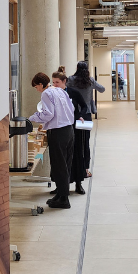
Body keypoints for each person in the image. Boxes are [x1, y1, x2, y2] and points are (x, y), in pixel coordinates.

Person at [29, 71, 75, 209]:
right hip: (69, 130)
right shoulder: (59, 90)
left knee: (58, 166)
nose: (37, 89)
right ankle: (60, 194)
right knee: (65, 164)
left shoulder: (46, 93)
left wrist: (32, 118)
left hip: (58, 132)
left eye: (36, 87)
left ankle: (64, 199)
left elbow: (48, 114)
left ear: (41, 84)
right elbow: (71, 107)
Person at [53, 67, 88, 195]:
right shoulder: (52, 94)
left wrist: (80, 115)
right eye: (53, 82)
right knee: (60, 158)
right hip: (59, 127)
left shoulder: (73, 93)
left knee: (77, 154)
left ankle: (78, 184)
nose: (55, 85)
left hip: (73, 126)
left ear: (64, 81)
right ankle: (60, 186)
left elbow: (84, 106)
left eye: (57, 82)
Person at [68, 61, 104, 182]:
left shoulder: (71, 80)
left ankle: (74, 169)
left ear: (77, 68)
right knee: (85, 142)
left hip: (73, 114)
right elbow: (102, 89)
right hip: (86, 114)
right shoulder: (90, 81)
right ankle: (85, 169)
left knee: (74, 141)